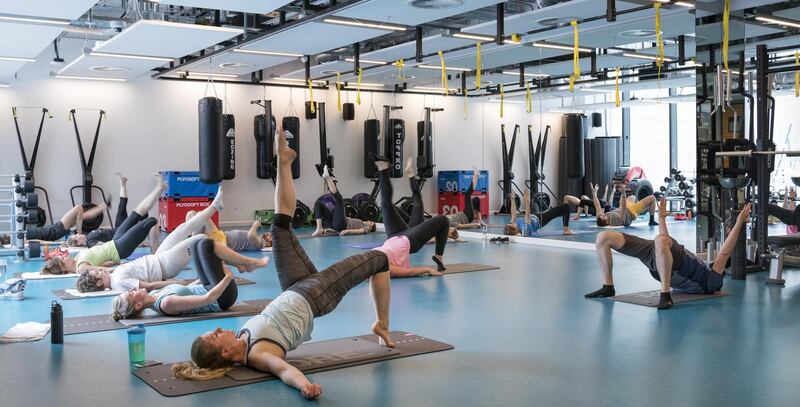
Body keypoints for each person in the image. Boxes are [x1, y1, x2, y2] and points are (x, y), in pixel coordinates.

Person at [171, 127, 394, 400]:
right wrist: (304, 386)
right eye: (215, 335)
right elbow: (283, 369)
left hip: (293, 287)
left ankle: (284, 160)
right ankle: (381, 324)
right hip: (314, 296)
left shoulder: (242, 339)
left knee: (279, 226)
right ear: (225, 353)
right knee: (380, 260)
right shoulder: (258, 354)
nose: (218, 329)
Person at [75, 186, 266, 292]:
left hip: (159, 257)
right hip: (165, 266)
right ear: (100, 283)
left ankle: (216, 205)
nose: (99, 270)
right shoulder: (118, 283)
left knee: (184, 227)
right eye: (97, 274)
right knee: (199, 239)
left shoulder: (114, 275)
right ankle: (244, 264)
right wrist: (179, 284)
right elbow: (149, 286)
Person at [586, 198, 751, 310]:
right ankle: (608, 287)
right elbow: (663, 245)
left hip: (669, 266)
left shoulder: (711, 283)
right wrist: (662, 219)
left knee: (660, 241)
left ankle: (665, 295)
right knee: (603, 237)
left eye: (718, 267)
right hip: (660, 257)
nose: (716, 264)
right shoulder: (706, 274)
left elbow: (724, 252)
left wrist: (739, 223)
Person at [40, 176, 165, 275]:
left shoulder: (78, 257)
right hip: (120, 248)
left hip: (115, 241)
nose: (65, 257)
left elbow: (103, 263)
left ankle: (159, 188)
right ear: (64, 267)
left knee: (137, 212)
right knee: (151, 221)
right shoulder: (81, 268)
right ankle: (156, 256)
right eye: (63, 260)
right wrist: (120, 265)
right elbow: (104, 270)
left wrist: (110, 262)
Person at [110, 237, 250, 320]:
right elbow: (208, 299)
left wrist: (203, 276)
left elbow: (190, 289)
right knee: (204, 245)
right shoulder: (166, 303)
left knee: (197, 245)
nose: (133, 289)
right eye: (131, 293)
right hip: (222, 297)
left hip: (208, 286)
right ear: (138, 305)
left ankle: (240, 263)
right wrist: (228, 277)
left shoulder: (154, 295)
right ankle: (246, 264)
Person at [372, 154, 450, 276]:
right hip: (408, 242)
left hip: (393, 237)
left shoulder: (366, 260)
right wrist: (427, 269)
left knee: (386, 205)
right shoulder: (383, 268)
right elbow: (406, 272)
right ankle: (439, 257)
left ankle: (383, 168)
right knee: (443, 220)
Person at [71, 173, 160, 250]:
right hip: (121, 234)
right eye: (76, 236)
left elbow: (103, 232)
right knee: (142, 215)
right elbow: (105, 247)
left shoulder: (88, 234)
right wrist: (130, 242)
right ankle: (159, 188)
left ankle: (123, 183)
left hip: (117, 228)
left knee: (121, 207)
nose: (78, 234)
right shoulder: (90, 242)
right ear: (78, 242)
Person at [311, 166, 376, 237]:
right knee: (318, 204)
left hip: (343, 225)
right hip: (337, 224)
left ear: (371, 227)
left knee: (339, 199)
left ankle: (327, 177)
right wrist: (331, 230)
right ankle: (319, 227)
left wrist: (347, 231)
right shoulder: (360, 221)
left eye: (371, 223)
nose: (370, 221)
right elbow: (339, 227)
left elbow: (360, 231)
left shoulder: (367, 228)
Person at [188, 210, 273, 251]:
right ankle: (188, 240)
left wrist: (255, 225)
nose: (268, 233)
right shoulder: (259, 238)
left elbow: (250, 235)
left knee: (201, 216)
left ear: (269, 243)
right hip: (220, 235)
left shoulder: (261, 243)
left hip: (221, 241)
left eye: (270, 236)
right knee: (191, 213)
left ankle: (191, 244)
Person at [504, 191, 574, 236]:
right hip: (541, 219)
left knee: (535, 203)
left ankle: (562, 213)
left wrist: (512, 199)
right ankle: (566, 230)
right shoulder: (524, 229)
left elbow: (513, 214)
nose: (512, 222)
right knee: (566, 207)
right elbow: (527, 215)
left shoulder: (513, 227)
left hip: (534, 215)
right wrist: (527, 201)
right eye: (512, 224)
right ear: (515, 229)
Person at [26, 203, 106, 243]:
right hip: (57, 229)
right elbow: (39, 242)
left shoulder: (23, 234)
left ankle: (104, 206)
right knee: (78, 208)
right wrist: (56, 243)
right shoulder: (22, 239)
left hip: (56, 229)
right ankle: (78, 232)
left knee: (82, 216)